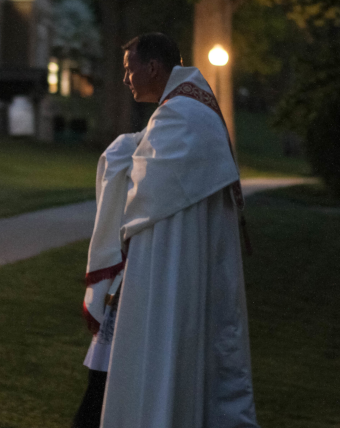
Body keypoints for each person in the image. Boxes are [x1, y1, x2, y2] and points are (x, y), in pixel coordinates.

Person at [73, 33, 259, 428]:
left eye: (129, 68)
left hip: (170, 270)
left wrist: (122, 156)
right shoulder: (186, 110)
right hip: (176, 263)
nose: (126, 77)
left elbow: (144, 193)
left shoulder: (182, 115)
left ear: (153, 68)